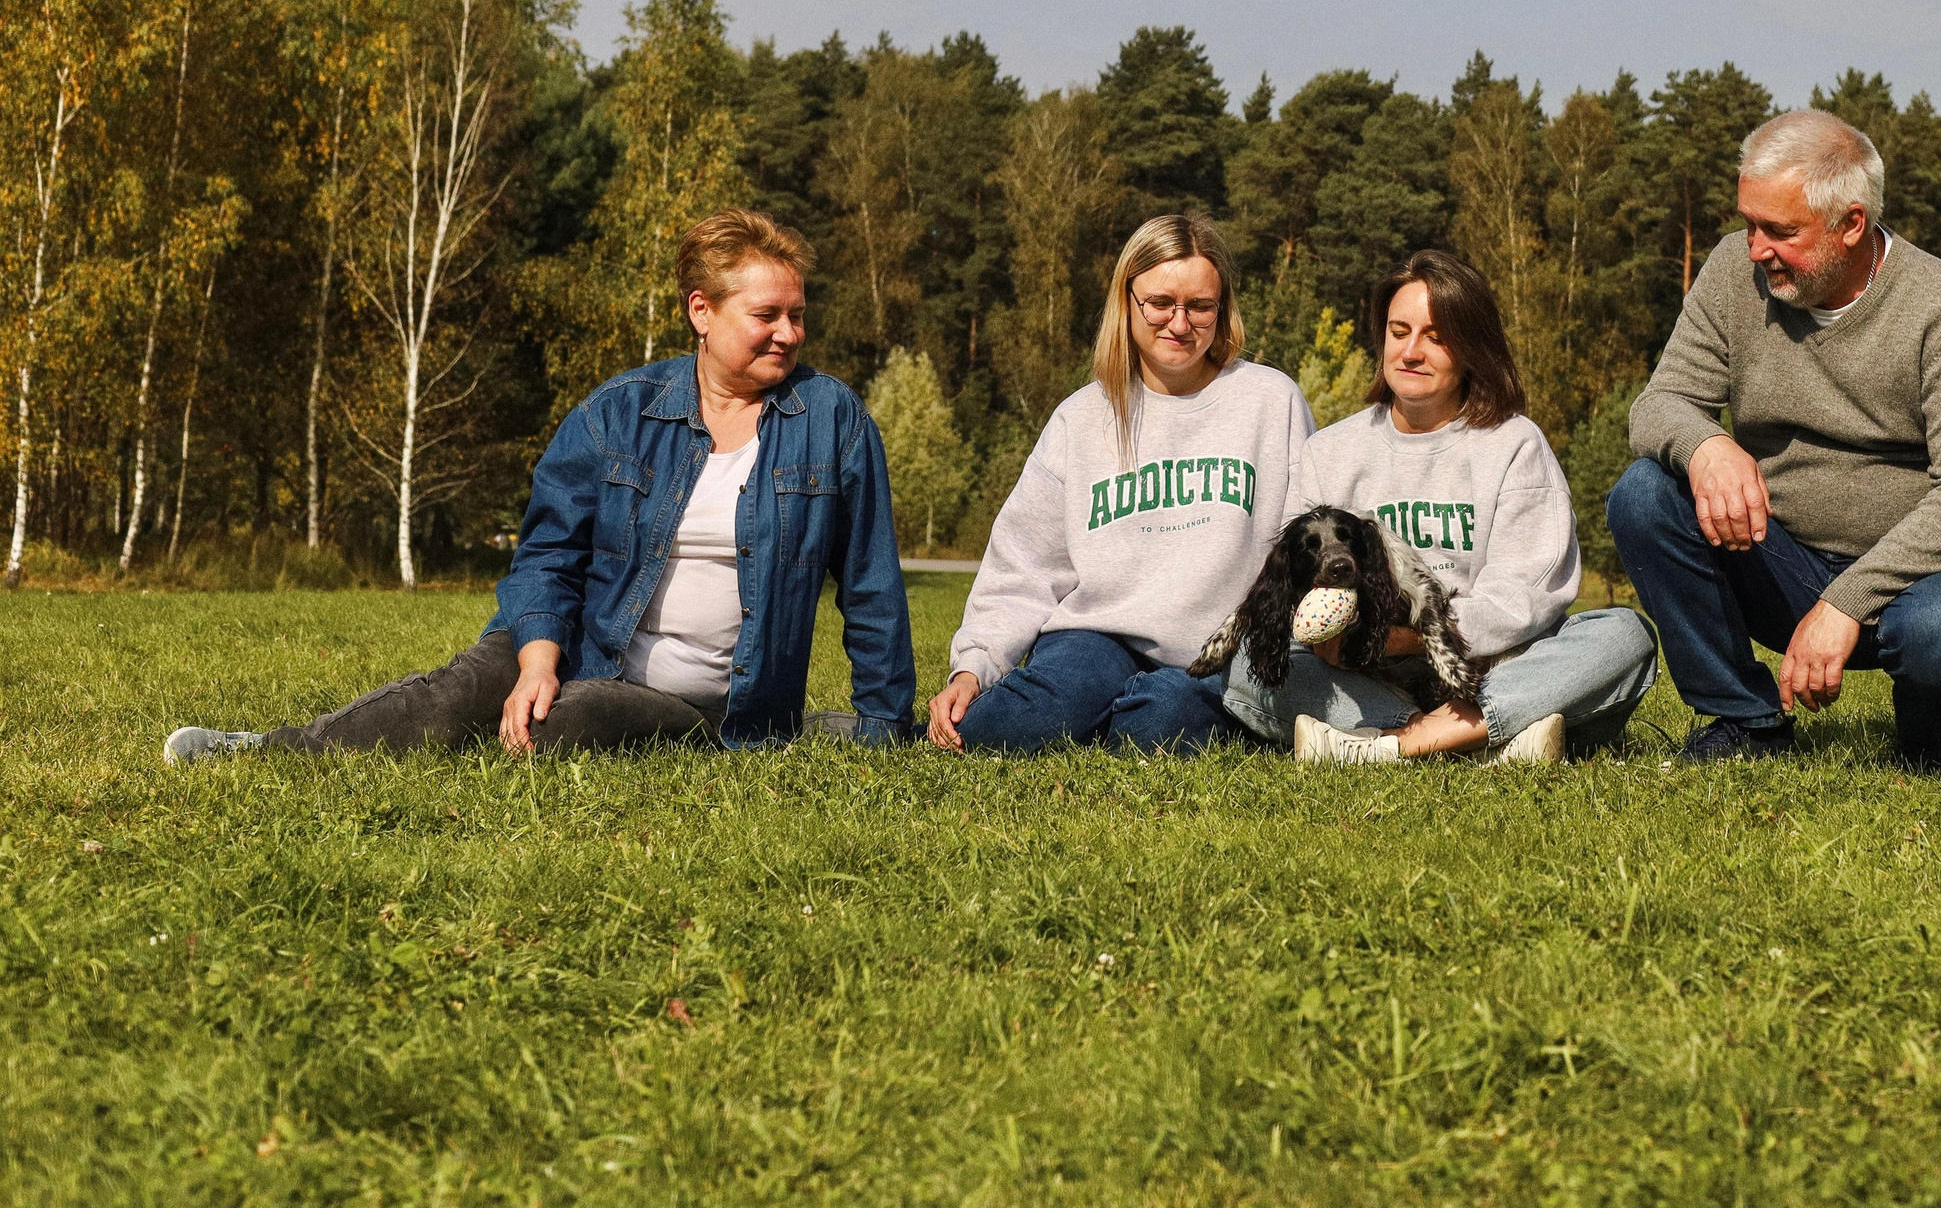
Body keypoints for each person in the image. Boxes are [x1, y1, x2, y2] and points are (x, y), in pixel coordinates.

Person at [163, 209, 915, 762]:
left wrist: (885, 727)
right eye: (767, 315)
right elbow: (548, 554)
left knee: (566, 722)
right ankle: (266, 750)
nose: (789, 333)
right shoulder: (617, 413)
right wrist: (536, 659)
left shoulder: (833, 420)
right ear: (701, 311)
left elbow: (871, 584)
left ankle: (809, 727)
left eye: (798, 315)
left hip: (705, 708)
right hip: (586, 644)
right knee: (465, 688)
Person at [1606, 110, 1941, 770]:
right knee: (1644, 494)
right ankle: (1745, 722)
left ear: (1852, 224)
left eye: (1779, 230)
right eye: (1748, 223)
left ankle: (1931, 748)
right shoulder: (1735, 278)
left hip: (1922, 578)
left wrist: (1845, 603)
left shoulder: (1940, 303)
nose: (1755, 248)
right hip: (1779, 559)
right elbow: (1660, 405)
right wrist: (1708, 446)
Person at [1222, 250, 1659, 764]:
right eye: (1399, 331)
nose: (1411, 352)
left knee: (1623, 637)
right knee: (1247, 667)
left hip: (1494, 664)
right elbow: (1298, 583)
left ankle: (1398, 743)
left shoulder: (1514, 444)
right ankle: (1489, 738)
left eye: (1436, 336)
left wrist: (1409, 638)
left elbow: (1523, 600)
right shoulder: (1330, 452)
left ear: (1472, 347)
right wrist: (1328, 636)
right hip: (1367, 674)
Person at [928, 214, 1310, 754]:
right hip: (1096, 640)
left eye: (1200, 306)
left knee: (1159, 723)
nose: (1180, 324)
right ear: (1126, 301)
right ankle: (1091, 705)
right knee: (997, 730)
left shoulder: (1272, 401)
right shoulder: (1081, 417)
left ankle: (1131, 713)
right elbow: (1023, 565)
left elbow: (1306, 542)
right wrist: (974, 667)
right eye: (1160, 303)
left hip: (1219, 649)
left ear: (1222, 309)